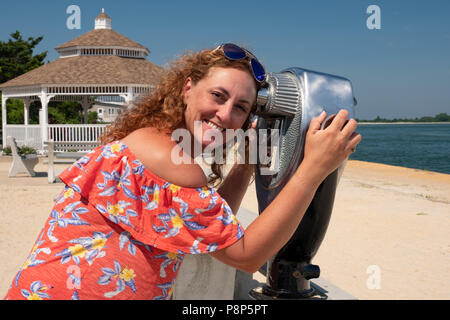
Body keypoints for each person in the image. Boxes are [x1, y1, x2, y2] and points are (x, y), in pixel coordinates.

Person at [3, 43, 361, 300]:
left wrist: (243, 166)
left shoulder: (150, 142)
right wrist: (313, 170)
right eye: (218, 96)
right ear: (187, 88)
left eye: (241, 107)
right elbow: (245, 255)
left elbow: (207, 231)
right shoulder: (173, 162)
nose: (225, 115)